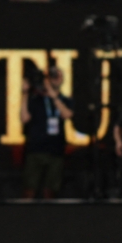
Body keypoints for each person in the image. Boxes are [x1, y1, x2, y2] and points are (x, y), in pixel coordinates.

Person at [20, 66, 74, 200]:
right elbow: (24, 118)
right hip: (36, 149)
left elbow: (67, 114)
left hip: (55, 150)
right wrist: (25, 94)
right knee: (29, 189)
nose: (56, 79)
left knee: (51, 191)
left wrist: (53, 96)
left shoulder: (64, 100)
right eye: (53, 76)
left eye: (58, 76)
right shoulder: (35, 99)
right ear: (47, 79)